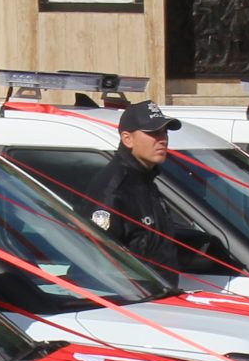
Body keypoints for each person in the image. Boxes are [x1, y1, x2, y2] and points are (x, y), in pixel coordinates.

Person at [91, 100, 221, 272]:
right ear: (127, 139)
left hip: (156, 293)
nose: (162, 140)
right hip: (133, 296)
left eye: (164, 132)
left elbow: (158, 247)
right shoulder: (114, 189)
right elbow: (99, 261)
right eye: (153, 133)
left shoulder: (146, 181)